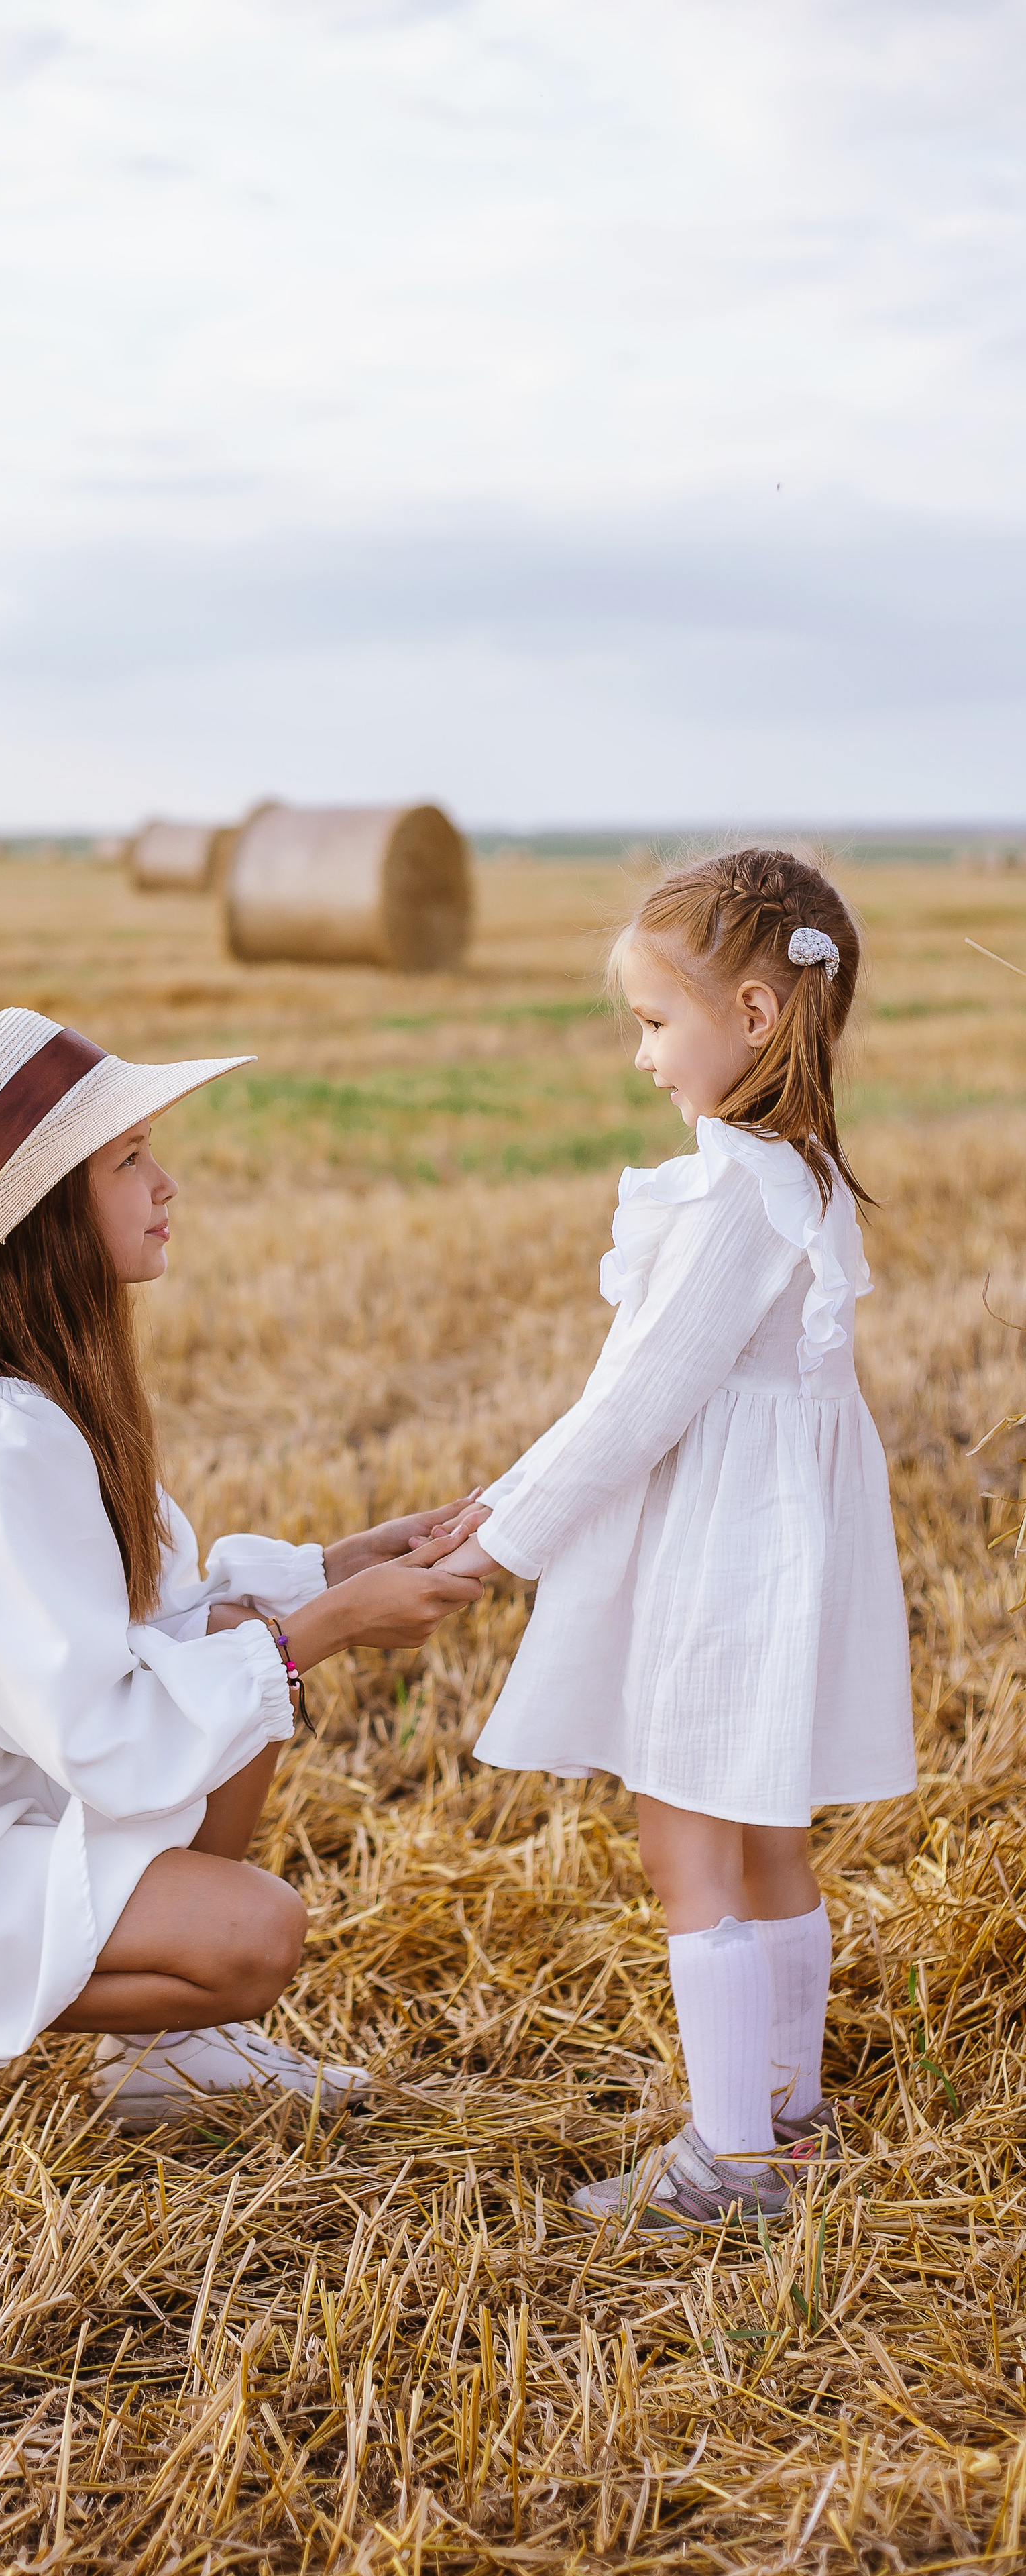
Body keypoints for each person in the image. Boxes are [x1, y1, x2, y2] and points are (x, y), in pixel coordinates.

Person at [0, 1007, 486, 2164]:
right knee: (256, 1940)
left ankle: (165, 2060)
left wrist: (330, 1570)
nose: (166, 1184)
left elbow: (164, 1615)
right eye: (130, 1162)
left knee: (235, 1632)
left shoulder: (35, 1389)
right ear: (45, 1214)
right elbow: (106, 1735)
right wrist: (322, 1631)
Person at [438, 851, 915, 2233]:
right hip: (780, 1538)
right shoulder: (797, 1175)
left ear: (755, 1015)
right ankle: (782, 2111)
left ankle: (729, 2161)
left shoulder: (726, 1204)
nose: (640, 1055)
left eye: (654, 1022)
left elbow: (633, 1403)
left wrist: (498, 1544)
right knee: (765, 1840)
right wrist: (495, 1499)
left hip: (724, 1553)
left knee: (684, 1847)